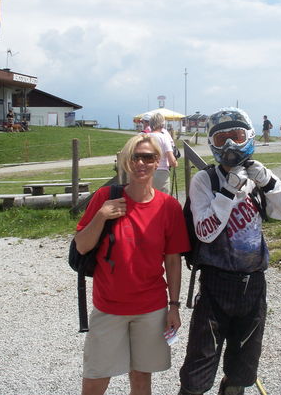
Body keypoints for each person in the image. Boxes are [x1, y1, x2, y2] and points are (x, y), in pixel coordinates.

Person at [178, 107, 281, 395]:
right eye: (221, 138)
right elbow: (205, 232)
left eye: (236, 136)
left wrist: (269, 182)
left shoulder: (258, 176)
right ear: (212, 142)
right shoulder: (205, 181)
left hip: (253, 282)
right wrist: (228, 193)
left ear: (248, 136)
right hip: (216, 282)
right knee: (199, 365)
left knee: (244, 367)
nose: (229, 145)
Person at [74, 133, 190, 395]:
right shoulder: (105, 197)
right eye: (134, 157)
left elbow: (173, 260)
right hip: (108, 307)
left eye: (148, 157)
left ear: (157, 161)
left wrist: (174, 306)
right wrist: (102, 216)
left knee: (140, 377)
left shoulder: (168, 207)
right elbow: (82, 245)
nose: (141, 163)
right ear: (125, 161)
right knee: (95, 378)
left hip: (151, 308)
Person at [149, 112, 177, 194]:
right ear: (162, 124)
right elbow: (171, 160)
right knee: (163, 200)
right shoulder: (164, 138)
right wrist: (175, 163)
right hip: (162, 173)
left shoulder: (145, 137)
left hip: (147, 172)